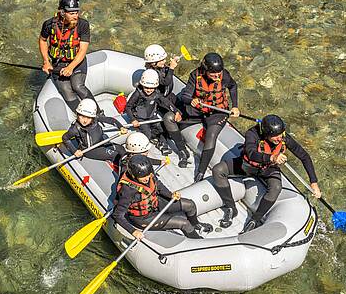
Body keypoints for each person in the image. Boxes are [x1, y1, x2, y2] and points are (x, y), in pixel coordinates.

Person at [211, 114, 321, 229]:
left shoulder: (283, 137)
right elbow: (251, 153)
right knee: (218, 170)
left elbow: (304, 156)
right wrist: (272, 158)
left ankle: (255, 219)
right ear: (266, 134)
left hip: (268, 169)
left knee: (276, 188)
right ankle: (231, 208)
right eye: (275, 136)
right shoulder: (252, 134)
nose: (280, 139)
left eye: (281, 134)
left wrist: (314, 182)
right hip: (247, 166)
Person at [114, 155, 212, 240]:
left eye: (148, 175)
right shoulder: (128, 191)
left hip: (155, 203)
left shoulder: (148, 173)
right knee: (184, 224)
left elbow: (158, 185)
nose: (147, 178)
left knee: (190, 205)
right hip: (144, 218)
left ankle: (196, 225)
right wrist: (133, 231)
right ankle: (198, 242)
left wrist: (170, 195)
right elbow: (117, 215)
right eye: (143, 177)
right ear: (133, 175)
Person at [180, 52, 240, 181]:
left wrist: (235, 106)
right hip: (199, 111)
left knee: (211, 135)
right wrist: (191, 100)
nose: (217, 76)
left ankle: (201, 171)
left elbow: (233, 86)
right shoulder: (194, 75)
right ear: (205, 70)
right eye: (214, 74)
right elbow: (185, 95)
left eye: (219, 73)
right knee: (177, 120)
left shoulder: (224, 75)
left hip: (218, 112)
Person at [39, 0, 98, 112]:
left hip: (77, 62)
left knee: (78, 87)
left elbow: (82, 50)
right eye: (71, 13)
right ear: (62, 12)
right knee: (66, 91)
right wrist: (46, 61)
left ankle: (97, 112)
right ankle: (81, 115)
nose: (75, 16)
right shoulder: (49, 25)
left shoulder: (83, 25)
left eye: (77, 12)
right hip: (58, 63)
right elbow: (42, 40)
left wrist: (71, 67)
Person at [126, 69, 191, 166]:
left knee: (161, 128)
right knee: (147, 134)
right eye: (146, 87)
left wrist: (176, 111)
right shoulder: (137, 93)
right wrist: (133, 119)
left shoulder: (156, 93)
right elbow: (128, 107)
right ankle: (144, 150)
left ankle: (161, 142)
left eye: (151, 88)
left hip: (151, 116)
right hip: (140, 119)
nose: (148, 90)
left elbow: (166, 102)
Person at [62, 99, 128, 164]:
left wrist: (121, 127)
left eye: (88, 117)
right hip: (90, 150)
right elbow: (65, 138)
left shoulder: (95, 119)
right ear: (77, 114)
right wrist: (74, 151)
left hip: (101, 141)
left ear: (92, 117)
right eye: (82, 116)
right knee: (115, 155)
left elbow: (111, 120)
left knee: (121, 149)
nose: (85, 120)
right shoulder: (75, 128)